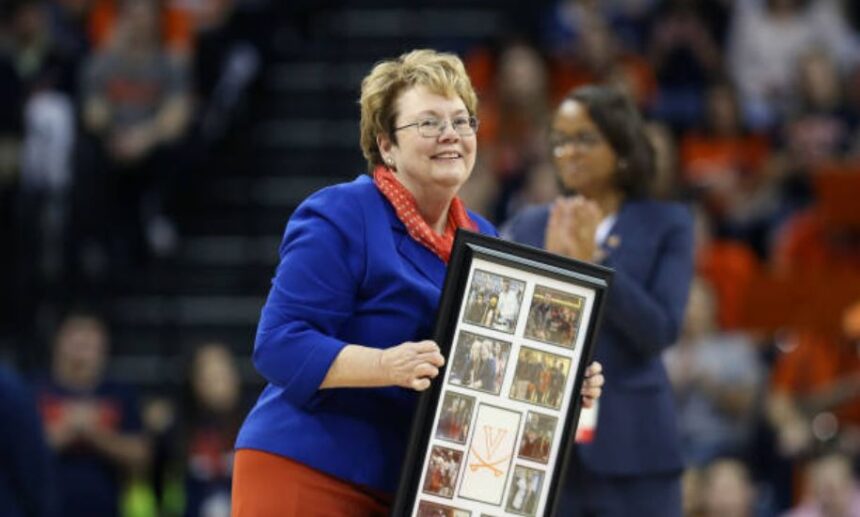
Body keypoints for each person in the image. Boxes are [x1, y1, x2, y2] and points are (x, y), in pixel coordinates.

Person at [231, 49, 604, 516]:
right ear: (386, 144)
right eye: (428, 123)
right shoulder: (343, 212)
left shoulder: (485, 239)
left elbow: (487, 377)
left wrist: (557, 388)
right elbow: (278, 344)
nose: (450, 134)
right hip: (309, 469)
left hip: (414, 491)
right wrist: (386, 364)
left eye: (461, 120)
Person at [503, 85, 694, 516]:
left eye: (584, 138)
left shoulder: (668, 223)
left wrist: (593, 266)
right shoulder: (529, 225)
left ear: (622, 149)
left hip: (637, 453)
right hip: (545, 451)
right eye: (560, 140)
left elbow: (660, 330)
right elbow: (507, 324)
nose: (569, 151)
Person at [34, 311, 150, 517]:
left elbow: (140, 454)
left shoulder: (120, 392)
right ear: (58, 342)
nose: (81, 350)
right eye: (75, 341)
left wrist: (93, 432)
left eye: (89, 343)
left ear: (103, 347)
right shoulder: (34, 390)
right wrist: (70, 428)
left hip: (105, 507)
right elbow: (20, 451)